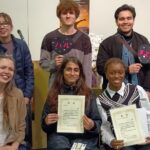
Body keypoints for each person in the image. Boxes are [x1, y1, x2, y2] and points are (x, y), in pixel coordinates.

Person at [41, 57, 101, 150]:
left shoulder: (89, 94)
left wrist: (92, 125)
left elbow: (97, 122)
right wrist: (46, 122)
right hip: (59, 137)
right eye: (69, 69)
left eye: (76, 70)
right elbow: (44, 125)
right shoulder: (53, 93)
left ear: (80, 73)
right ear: (62, 72)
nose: (72, 73)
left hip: (84, 138)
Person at [96, 4, 150, 98]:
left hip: (140, 93)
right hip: (114, 95)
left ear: (133, 20)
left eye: (129, 18)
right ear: (117, 22)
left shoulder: (143, 40)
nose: (125, 22)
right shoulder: (107, 43)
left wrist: (147, 90)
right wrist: (126, 69)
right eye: (122, 19)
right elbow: (101, 68)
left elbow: (148, 67)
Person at [97, 58, 150, 150]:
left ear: (124, 73)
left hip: (143, 138)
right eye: (112, 73)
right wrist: (111, 141)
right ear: (106, 74)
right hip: (121, 142)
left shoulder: (137, 90)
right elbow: (105, 126)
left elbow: (148, 115)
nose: (116, 76)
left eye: (120, 72)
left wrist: (149, 134)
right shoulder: (101, 100)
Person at [0, 12, 34, 149]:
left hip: (19, 94)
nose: (2, 27)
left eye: (5, 23)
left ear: (11, 26)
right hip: (2, 93)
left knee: (22, 131)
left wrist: (26, 95)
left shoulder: (21, 45)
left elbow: (29, 71)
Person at [39, 0, 92, 88]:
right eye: (64, 13)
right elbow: (43, 63)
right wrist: (53, 63)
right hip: (55, 87)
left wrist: (87, 91)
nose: (68, 16)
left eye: (71, 13)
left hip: (77, 88)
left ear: (76, 16)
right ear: (59, 16)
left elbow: (87, 69)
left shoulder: (84, 39)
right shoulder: (49, 37)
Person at [0, 55, 26, 150]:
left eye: (10, 69)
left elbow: (21, 126)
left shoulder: (18, 94)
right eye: (3, 67)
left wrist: (15, 145)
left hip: (10, 143)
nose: (7, 71)